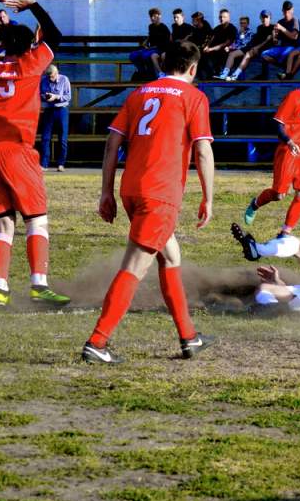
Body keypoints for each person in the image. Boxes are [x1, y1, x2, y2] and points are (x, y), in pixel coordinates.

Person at [84, 40, 216, 364]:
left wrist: (107, 191)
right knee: (134, 266)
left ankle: (188, 337)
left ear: (162, 62)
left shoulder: (139, 93)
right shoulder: (194, 97)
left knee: (170, 256)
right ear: (193, 69)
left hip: (133, 189)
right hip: (160, 194)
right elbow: (202, 150)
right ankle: (97, 342)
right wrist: (208, 198)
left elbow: (112, 142)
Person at [0, 0, 71, 308]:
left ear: (2, 45)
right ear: (29, 46)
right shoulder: (30, 65)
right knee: (36, 221)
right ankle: (39, 283)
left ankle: (0, 288)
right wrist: (35, 5)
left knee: (3, 225)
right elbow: (55, 36)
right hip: (17, 153)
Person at [243, 62, 300, 236]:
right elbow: (279, 125)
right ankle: (255, 203)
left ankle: (286, 232)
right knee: (278, 194)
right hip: (289, 150)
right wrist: (289, 142)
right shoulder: (294, 97)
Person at [223, 10, 275, 81]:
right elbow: (255, 41)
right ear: (260, 18)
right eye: (263, 17)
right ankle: (233, 74)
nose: (264, 19)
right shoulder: (259, 28)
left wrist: (256, 47)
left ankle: (234, 74)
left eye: (266, 17)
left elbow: (270, 41)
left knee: (247, 54)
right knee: (242, 54)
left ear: (270, 18)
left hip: (266, 51)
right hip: (255, 49)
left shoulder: (273, 28)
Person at [39, 64, 71, 171]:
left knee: (62, 138)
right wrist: (45, 96)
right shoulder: (44, 80)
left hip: (61, 109)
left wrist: (56, 97)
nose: (50, 79)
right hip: (48, 109)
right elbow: (40, 94)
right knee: (45, 137)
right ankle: (44, 164)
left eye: (52, 76)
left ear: (57, 73)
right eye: (49, 77)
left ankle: (61, 164)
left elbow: (68, 96)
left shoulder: (64, 80)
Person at [129, 7, 170, 79]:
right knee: (133, 55)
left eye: (154, 16)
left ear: (159, 16)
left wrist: (152, 47)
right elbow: (150, 36)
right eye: (151, 16)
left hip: (159, 49)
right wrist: (146, 42)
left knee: (145, 55)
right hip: (150, 49)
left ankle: (152, 75)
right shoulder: (151, 26)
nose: (152, 18)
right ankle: (142, 71)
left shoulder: (164, 27)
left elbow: (165, 43)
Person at [261, 0, 300, 70]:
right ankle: (282, 66)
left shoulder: (295, 20)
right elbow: (276, 41)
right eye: (285, 11)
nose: (287, 13)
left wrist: (282, 28)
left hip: (293, 47)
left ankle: (284, 68)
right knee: (264, 54)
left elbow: (294, 36)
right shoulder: (280, 22)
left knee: (283, 55)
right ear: (282, 10)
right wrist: (274, 37)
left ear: (292, 10)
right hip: (282, 47)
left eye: (289, 11)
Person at [201, 8, 237, 77]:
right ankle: (209, 76)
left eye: (224, 17)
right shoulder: (217, 28)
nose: (222, 19)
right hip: (214, 51)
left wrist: (211, 49)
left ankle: (219, 73)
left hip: (225, 50)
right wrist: (207, 46)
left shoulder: (232, 28)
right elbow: (211, 38)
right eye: (220, 17)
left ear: (229, 18)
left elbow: (227, 43)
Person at [216, 15, 253, 81]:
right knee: (225, 52)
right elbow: (235, 42)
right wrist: (229, 47)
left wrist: (242, 34)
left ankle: (226, 73)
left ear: (248, 24)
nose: (242, 24)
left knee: (232, 54)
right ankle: (224, 72)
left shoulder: (250, 33)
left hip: (245, 50)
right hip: (238, 50)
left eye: (244, 23)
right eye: (241, 23)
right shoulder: (238, 32)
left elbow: (244, 44)